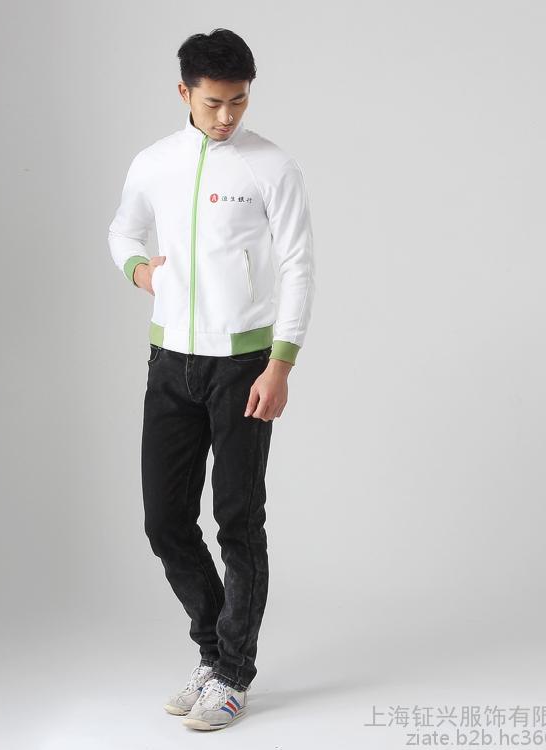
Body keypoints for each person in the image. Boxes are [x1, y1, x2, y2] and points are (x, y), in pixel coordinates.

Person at [108, 28, 316, 731]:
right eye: (214, 102)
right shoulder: (154, 163)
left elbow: (298, 264)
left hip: (244, 365)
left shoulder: (272, 166)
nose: (228, 116)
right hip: (170, 363)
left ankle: (232, 673)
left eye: (240, 101)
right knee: (165, 520)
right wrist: (139, 269)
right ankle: (212, 652)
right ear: (184, 92)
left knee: (237, 521)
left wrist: (280, 363)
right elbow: (122, 231)